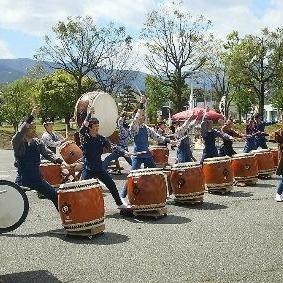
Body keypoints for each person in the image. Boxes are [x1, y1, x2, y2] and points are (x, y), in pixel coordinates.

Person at [120, 96, 172, 199]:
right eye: (142, 115)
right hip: (137, 155)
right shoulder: (134, 126)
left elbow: (158, 137)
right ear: (137, 116)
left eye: (144, 115)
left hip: (147, 154)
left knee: (156, 173)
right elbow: (136, 118)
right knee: (132, 175)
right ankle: (122, 195)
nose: (143, 117)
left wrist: (170, 141)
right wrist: (141, 103)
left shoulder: (146, 128)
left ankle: (160, 192)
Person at [12, 106, 63, 209]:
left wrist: (58, 160)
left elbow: (47, 153)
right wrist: (32, 116)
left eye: (35, 127)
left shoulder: (37, 142)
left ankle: (67, 220)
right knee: (14, 204)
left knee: (55, 196)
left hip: (37, 179)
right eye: (31, 127)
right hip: (22, 181)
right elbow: (21, 130)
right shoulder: (17, 142)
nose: (34, 129)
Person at [79, 113, 129, 209]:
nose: (97, 127)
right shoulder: (84, 137)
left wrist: (124, 152)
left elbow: (113, 146)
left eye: (98, 125)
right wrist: (89, 113)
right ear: (89, 127)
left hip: (99, 167)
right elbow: (83, 125)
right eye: (95, 126)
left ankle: (119, 204)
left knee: (111, 184)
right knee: (82, 188)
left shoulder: (101, 139)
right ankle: (82, 208)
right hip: (88, 168)